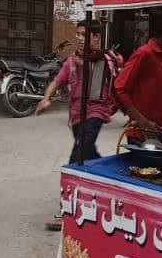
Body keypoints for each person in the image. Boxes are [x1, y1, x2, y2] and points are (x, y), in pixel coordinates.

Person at [35, 19, 117, 230]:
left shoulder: (106, 60)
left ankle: (67, 211)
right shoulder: (72, 61)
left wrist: (88, 64)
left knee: (76, 157)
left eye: (84, 34)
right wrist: (46, 98)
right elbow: (56, 81)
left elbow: (110, 82)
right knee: (88, 154)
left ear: (96, 37)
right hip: (76, 117)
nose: (79, 38)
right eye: (78, 34)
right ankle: (112, 188)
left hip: (95, 113)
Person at [115, 6, 162, 143]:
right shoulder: (144, 54)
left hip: (160, 136)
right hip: (142, 137)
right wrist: (143, 122)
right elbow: (119, 90)